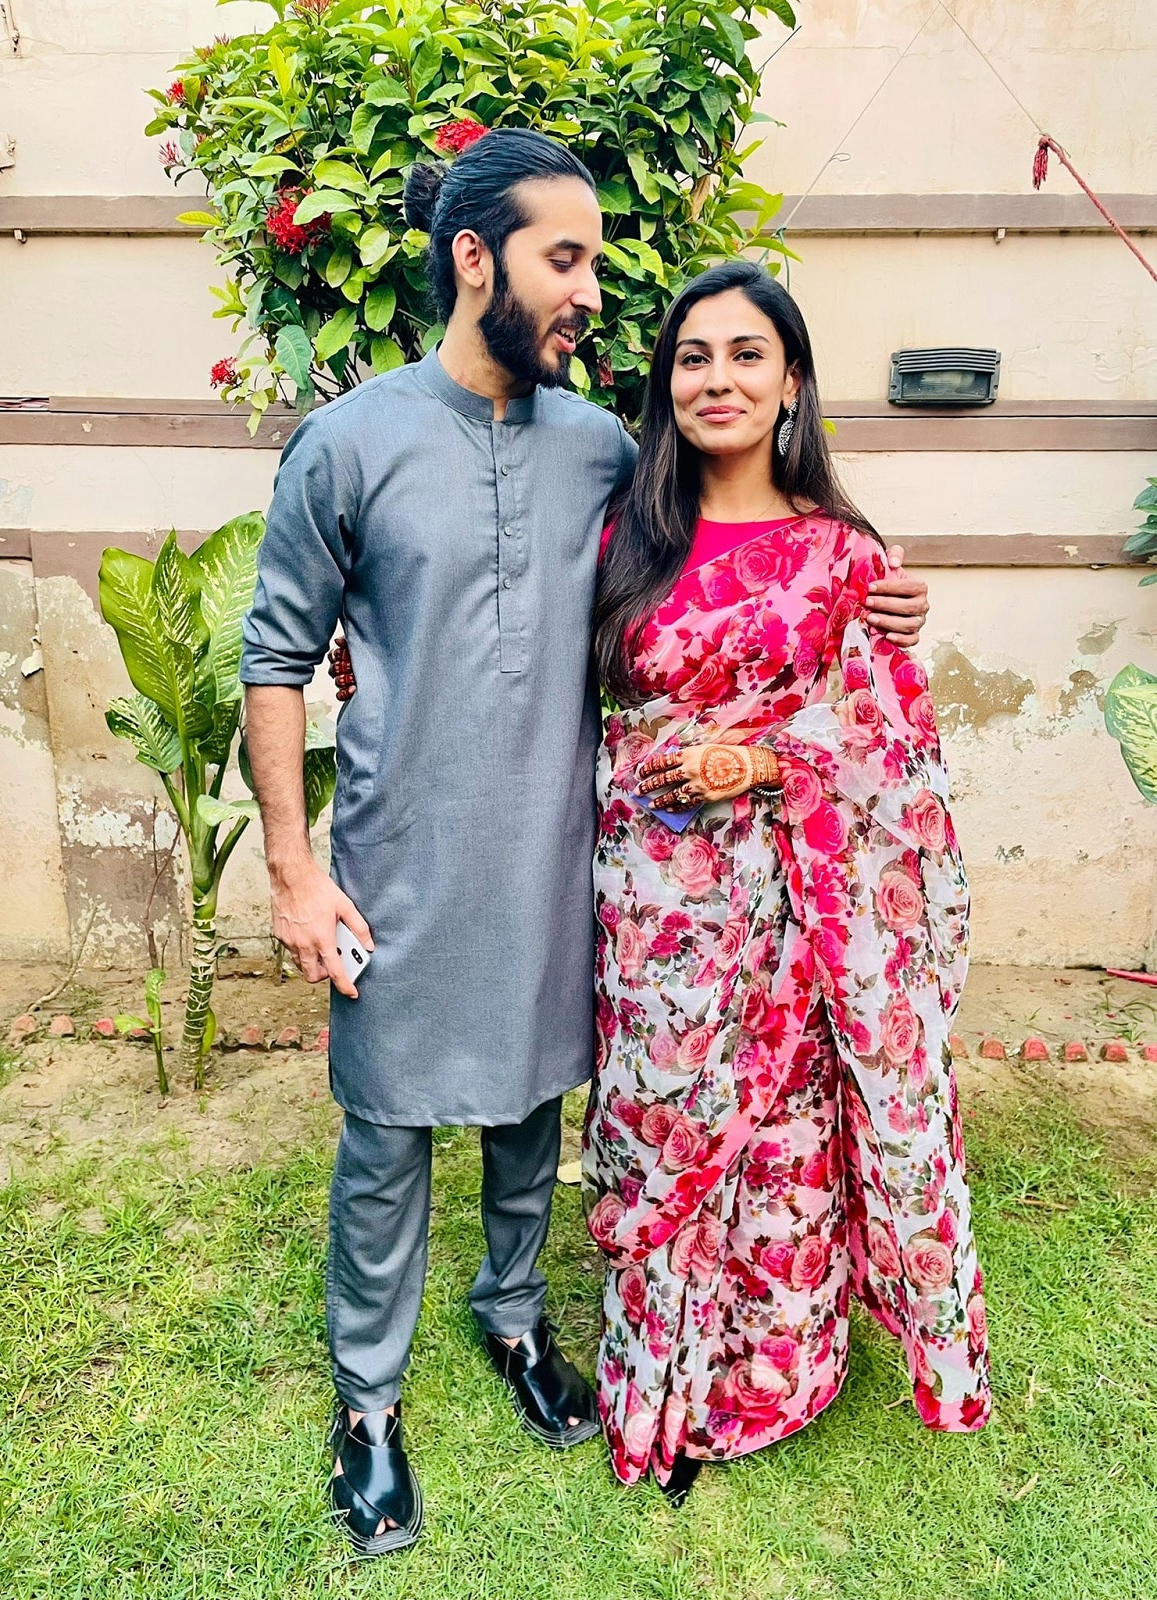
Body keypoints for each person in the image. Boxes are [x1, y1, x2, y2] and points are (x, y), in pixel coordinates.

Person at [244, 130, 931, 1558]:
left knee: (529, 1111)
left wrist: (876, 604)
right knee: (387, 1137)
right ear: (475, 260)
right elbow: (275, 660)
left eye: (597, 266)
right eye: (566, 262)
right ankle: (367, 1405)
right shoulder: (351, 441)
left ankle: (513, 1323)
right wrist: (297, 873)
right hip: (399, 862)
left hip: (573, 861)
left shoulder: (608, 453)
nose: (588, 296)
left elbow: (734, 585)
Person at [584, 259, 991, 1509]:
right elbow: (567, 703)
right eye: (693, 356)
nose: (718, 378)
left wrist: (762, 755)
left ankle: (771, 1375)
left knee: (783, 1138)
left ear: (792, 382)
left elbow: (889, 745)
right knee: (662, 1126)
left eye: (746, 354)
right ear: (668, 383)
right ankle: (660, 1370)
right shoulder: (625, 535)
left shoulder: (846, 555)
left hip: (799, 910)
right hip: (653, 907)